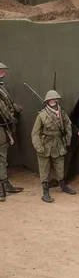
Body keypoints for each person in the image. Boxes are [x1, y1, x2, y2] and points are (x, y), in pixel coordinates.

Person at [31, 90, 75, 203]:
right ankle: (45, 192)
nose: (53, 101)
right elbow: (35, 133)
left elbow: (68, 124)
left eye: (54, 99)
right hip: (45, 144)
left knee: (60, 166)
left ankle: (63, 186)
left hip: (59, 143)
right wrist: (39, 147)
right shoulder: (42, 115)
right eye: (50, 99)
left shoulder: (61, 113)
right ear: (47, 101)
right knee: (44, 169)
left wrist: (68, 138)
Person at [0, 62, 23, 201]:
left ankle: (6, 186)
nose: (4, 73)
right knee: (1, 158)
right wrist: (12, 116)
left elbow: (8, 103)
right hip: (1, 126)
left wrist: (15, 107)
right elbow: (3, 110)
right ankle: (2, 191)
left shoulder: (2, 87)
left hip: (3, 126)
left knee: (3, 157)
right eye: (1, 70)